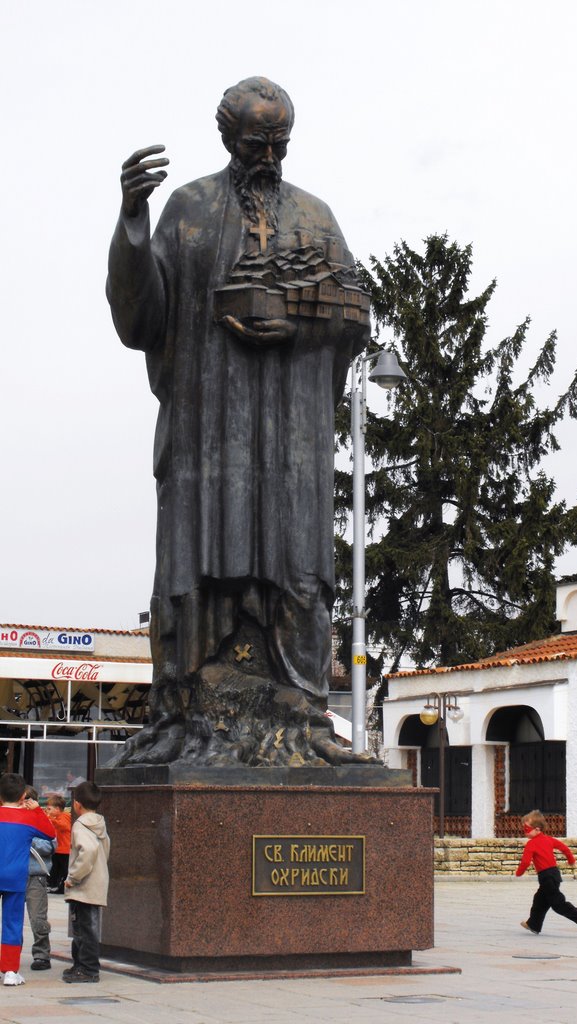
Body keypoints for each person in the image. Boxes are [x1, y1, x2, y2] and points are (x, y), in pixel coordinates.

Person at [106, 76, 371, 767]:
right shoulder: (188, 209)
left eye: (280, 144)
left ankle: (302, 711)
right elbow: (143, 318)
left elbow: (355, 314)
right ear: (229, 137)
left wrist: (295, 323)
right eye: (258, 142)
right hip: (208, 425)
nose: (270, 157)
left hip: (291, 431)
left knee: (298, 563)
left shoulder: (315, 217)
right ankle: (190, 711)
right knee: (200, 555)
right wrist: (134, 219)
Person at [0, 773, 57, 986]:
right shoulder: (28, 817)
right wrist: (37, 810)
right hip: (15, 877)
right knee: (12, 923)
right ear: (24, 796)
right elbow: (50, 833)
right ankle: (9, 971)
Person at [63, 781, 110, 983]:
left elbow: (88, 851)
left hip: (83, 884)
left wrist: (73, 877)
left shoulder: (81, 825)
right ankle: (80, 965)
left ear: (77, 804)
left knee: (84, 928)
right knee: (83, 926)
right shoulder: (99, 823)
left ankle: (89, 968)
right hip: (96, 881)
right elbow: (104, 850)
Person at [515, 809, 577, 935]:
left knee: (558, 904)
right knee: (539, 900)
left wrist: (519, 873)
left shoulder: (531, 844)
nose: (525, 832)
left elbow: (525, 862)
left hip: (546, 877)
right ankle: (533, 924)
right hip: (554, 874)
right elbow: (564, 848)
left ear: (537, 829)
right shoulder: (549, 839)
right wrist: (571, 860)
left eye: (527, 829)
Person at [23, 787, 55, 972]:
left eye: (26, 800)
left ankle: (42, 955)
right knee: (12, 919)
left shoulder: (41, 820)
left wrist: (28, 837)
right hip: (14, 875)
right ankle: (10, 953)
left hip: (36, 876)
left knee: (38, 919)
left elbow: (50, 846)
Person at [44, 793, 71, 894]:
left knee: (62, 870)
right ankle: (55, 885)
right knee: (57, 869)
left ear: (57, 809)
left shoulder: (63, 816)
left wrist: (51, 819)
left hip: (64, 850)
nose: (47, 810)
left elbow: (64, 826)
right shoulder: (62, 816)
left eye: (49, 809)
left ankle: (57, 885)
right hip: (60, 849)